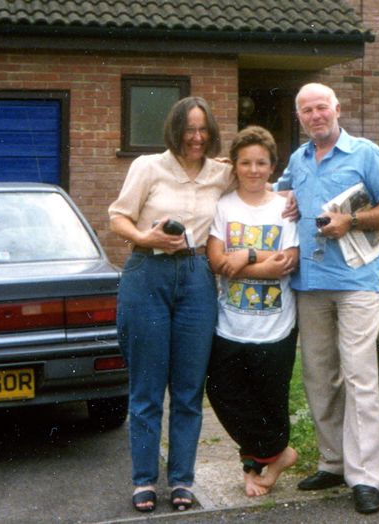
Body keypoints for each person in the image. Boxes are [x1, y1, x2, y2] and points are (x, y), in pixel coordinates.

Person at [273, 83, 379, 514]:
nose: (315, 115)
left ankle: (366, 477)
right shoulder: (298, 159)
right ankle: (333, 461)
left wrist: (351, 221)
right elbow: (276, 192)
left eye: (321, 108)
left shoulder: (366, 154)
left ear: (337, 109)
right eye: (307, 110)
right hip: (310, 282)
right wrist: (287, 196)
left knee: (359, 375)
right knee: (318, 376)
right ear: (300, 117)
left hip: (356, 281)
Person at [108, 96, 233, 513]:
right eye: (188, 129)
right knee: (146, 387)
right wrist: (147, 238)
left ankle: (182, 479)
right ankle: (143, 480)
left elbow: (259, 181)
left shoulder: (221, 174)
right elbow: (118, 218)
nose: (196, 138)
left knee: (187, 390)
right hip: (148, 273)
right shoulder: (148, 167)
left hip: (198, 278)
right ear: (174, 130)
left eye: (203, 130)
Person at [205, 126, 300, 498]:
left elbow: (288, 261)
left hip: (276, 327)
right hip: (230, 324)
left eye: (261, 162)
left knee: (269, 400)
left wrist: (242, 256)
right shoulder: (225, 206)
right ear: (236, 166)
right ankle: (280, 454)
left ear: (273, 166)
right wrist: (261, 263)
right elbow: (215, 260)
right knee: (223, 392)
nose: (254, 169)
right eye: (246, 162)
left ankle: (256, 470)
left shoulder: (285, 208)